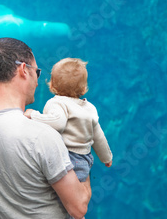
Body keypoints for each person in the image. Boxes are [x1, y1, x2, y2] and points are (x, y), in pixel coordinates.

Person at [0, 38, 91, 219]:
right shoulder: (41, 135)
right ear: (23, 70)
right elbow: (79, 208)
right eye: (37, 72)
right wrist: (82, 144)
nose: (38, 81)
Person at [24, 58, 113, 187]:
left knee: (56, 193)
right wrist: (107, 157)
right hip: (85, 160)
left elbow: (57, 123)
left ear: (52, 85)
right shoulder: (90, 108)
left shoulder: (57, 103)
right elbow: (98, 137)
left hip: (66, 157)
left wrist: (32, 115)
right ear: (83, 89)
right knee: (74, 193)